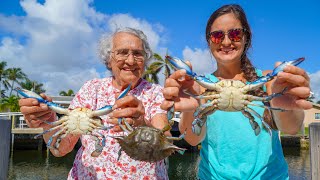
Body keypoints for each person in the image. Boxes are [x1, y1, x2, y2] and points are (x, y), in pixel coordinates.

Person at [161, 4, 312, 180]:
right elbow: (193, 140)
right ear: (209, 41)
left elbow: (292, 128)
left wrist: (285, 104)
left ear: (246, 37)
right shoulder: (200, 86)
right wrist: (190, 108)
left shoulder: (268, 81)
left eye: (235, 34)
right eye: (217, 36)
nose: (226, 42)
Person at [18, 27, 170, 180]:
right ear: (109, 59)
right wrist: (47, 121)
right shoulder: (91, 89)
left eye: (138, 54)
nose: (130, 61)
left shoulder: (155, 92)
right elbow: (61, 149)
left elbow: (168, 143)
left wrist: (143, 124)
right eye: (122, 52)